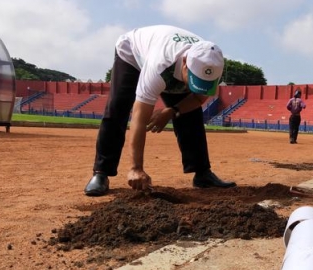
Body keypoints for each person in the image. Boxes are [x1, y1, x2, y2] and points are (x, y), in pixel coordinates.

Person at [84, 25, 236, 196]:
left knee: (191, 114)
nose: (198, 86)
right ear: (185, 63)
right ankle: (101, 173)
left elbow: (199, 98)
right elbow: (139, 118)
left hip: (172, 63)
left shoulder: (211, 64)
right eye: (195, 80)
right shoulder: (159, 65)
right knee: (117, 107)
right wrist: (136, 168)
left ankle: (202, 173)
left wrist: (172, 111)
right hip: (132, 54)